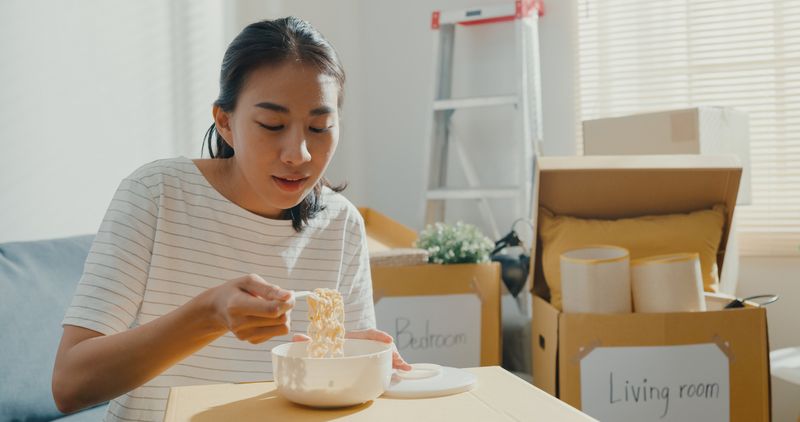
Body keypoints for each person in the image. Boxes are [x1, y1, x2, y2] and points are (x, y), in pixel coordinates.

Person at [52, 17, 409, 422]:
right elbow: (70, 385)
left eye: (319, 127)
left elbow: (337, 389)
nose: (299, 154)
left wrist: (362, 366)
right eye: (272, 125)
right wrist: (208, 314)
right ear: (225, 123)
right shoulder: (157, 194)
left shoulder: (340, 223)